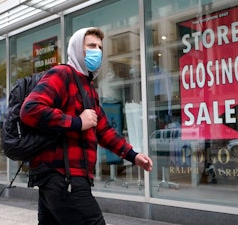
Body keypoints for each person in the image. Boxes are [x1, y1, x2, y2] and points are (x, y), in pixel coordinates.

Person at [20, 27, 153, 225]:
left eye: (100, 47)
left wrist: (133, 156)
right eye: (91, 46)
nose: (97, 51)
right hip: (64, 177)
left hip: (63, 178)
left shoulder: (88, 87)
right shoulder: (62, 74)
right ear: (76, 49)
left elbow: (104, 130)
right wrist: (77, 122)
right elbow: (30, 110)